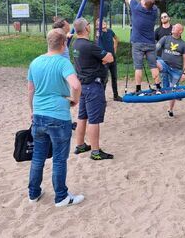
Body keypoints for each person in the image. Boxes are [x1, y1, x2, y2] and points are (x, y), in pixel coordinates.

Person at [27, 28, 84, 207]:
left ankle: (33, 193)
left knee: (38, 156)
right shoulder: (63, 63)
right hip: (58, 116)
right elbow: (75, 84)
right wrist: (74, 100)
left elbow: (31, 90)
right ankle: (61, 197)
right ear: (63, 43)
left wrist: (32, 109)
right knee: (59, 158)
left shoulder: (35, 62)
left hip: (39, 114)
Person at [72, 18, 115, 160]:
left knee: (82, 116)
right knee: (94, 119)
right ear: (86, 28)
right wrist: (102, 59)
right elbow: (110, 58)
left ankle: (80, 145)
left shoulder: (75, 44)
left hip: (83, 85)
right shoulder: (89, 45)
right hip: (93, 85)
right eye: (89, 25)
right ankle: (95, 151)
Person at [121, 0, 162, 94]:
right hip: (150, 42)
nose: (140, 0)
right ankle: (158, 87)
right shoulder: (154, 10)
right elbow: (150, 2)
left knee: (138, 67)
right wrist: (130, 1)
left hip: (138, 43)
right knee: (153, 66)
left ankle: (138, 88)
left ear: (143, 4)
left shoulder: (137, 8)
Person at [155, 23, 185, 117]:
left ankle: (170, 109)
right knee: (155, 62)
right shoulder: (165, 38)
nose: (172, 27)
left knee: (172, 90)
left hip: (176, 70)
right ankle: (157, 85)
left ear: (180, 31)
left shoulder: (183, 44)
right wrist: (149, 51)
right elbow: (157, 47)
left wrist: (184, 73)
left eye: (175, 27)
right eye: (173, 27)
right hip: (164, 65)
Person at [96, 20, 122, 101]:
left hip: (113, 58)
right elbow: (97, 39)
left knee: (114, 77)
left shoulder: (110, 31)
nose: (103, 24)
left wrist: (115, 49)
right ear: (97, 26)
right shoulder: (99, 33)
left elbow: (116, 39)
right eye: (100, 24)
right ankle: (102, 98)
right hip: (105, 59)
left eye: (104, 22)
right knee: (105, 79)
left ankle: (116, 96)